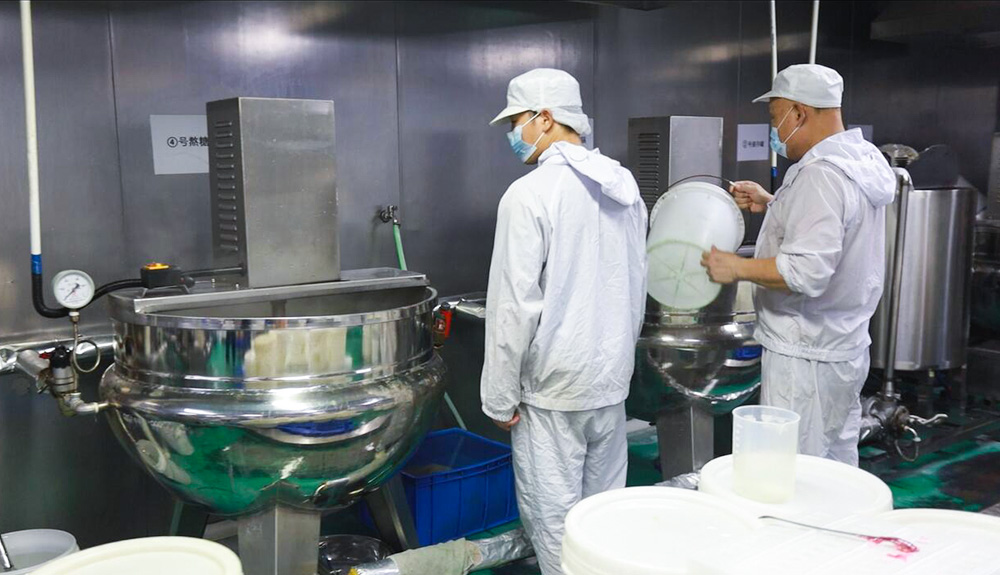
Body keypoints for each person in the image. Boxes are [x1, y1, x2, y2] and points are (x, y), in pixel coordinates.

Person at [481, 68, 648, 575]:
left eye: (516, 122)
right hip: (608, 383)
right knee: (602, 522)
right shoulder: (623, 188)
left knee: (555, 527)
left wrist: (499, 396)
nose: (513, 135)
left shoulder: (529, 194)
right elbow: (635, 284)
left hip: (552, 393)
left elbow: (514, 306)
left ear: (545, 118)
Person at [700, 64, 896, 466]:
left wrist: (735, 268)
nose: (774, 130)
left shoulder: (820, 176)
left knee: (791, 470)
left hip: (804, 358)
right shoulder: (858, 162)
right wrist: (775, 203)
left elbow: (806, 273)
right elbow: (837, 228)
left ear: (799, 113)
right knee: (835, 465)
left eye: (776, 118)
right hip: (842, 348)